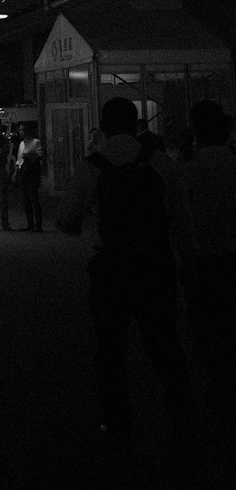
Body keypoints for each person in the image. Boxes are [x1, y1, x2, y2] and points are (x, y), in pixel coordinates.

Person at [56, 95, 193, 453]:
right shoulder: (161, 163)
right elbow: (181, 220)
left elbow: (66, 220)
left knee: (110, 351)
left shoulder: (91, 167)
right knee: (165, 346)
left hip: (111, 269)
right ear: (136, 125)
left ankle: (118, 426)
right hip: (155, 267)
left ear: (102, 126)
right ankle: (183, 421)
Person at [176, 100, 236, 423]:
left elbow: (180, 221)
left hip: (205, 265)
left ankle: (218, 389)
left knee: (209, 333)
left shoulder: (189, 171)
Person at [13, 120, 44, 231]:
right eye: (20, 130)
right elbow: (19, 160)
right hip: (23, 172)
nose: (21, 132)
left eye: (23, 130)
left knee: (33, 197)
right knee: (26, 198)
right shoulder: (22, 143)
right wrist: (16, 173)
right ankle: (30, 223)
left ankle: (39, 224)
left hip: (32, 172)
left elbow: (40, 155)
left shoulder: (35, 142)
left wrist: (30, 155)